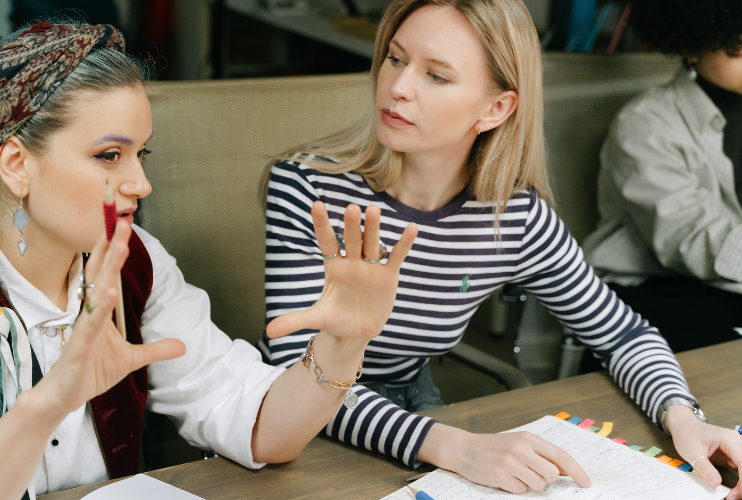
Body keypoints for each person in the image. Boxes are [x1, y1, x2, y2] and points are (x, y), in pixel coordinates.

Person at [0, 22, 420, 500]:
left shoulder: (137, 264)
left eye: (141, 154)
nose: (141, 184)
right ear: (17, 164)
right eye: (108, 156)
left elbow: (260, 429)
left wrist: (343, 347)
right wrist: (51, 398)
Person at [260, 0, 742, 497]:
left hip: (418, 411)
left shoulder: (514, 216)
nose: (398, 87)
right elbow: (295, 370)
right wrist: (453, 447)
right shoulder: (309, 187)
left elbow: (622, 334)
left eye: (437, 76)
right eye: (396, 59)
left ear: (496, 108)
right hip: (296, 421)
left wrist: (683, 417)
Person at [582, 0, 742, 353]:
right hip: (651, 291)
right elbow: (690, 240)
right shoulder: (645, 125)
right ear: (692, 47)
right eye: (737, 50)